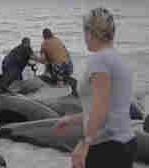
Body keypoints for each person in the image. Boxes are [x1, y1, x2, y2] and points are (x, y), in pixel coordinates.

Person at [53, 7, 136, 168]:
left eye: (84, 32)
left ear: (90, 32)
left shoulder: (99, 60)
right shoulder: (118, 59)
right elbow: (111, 109)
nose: (84, 38)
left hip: (106, 147)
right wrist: (72, 119)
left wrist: (85, 143)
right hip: (126, 142)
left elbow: (101, 108)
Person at [32, 28, 78, 97]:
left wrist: (35, 58)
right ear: (51, 34)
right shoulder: (58, 40)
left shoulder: (44, 44)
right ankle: (73, 91)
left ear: (43, 36)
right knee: (58, 72)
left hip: (59, 68)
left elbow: (43, 60)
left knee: (56, 79)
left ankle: (62, 86)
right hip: (69, 66)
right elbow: (66, 53)